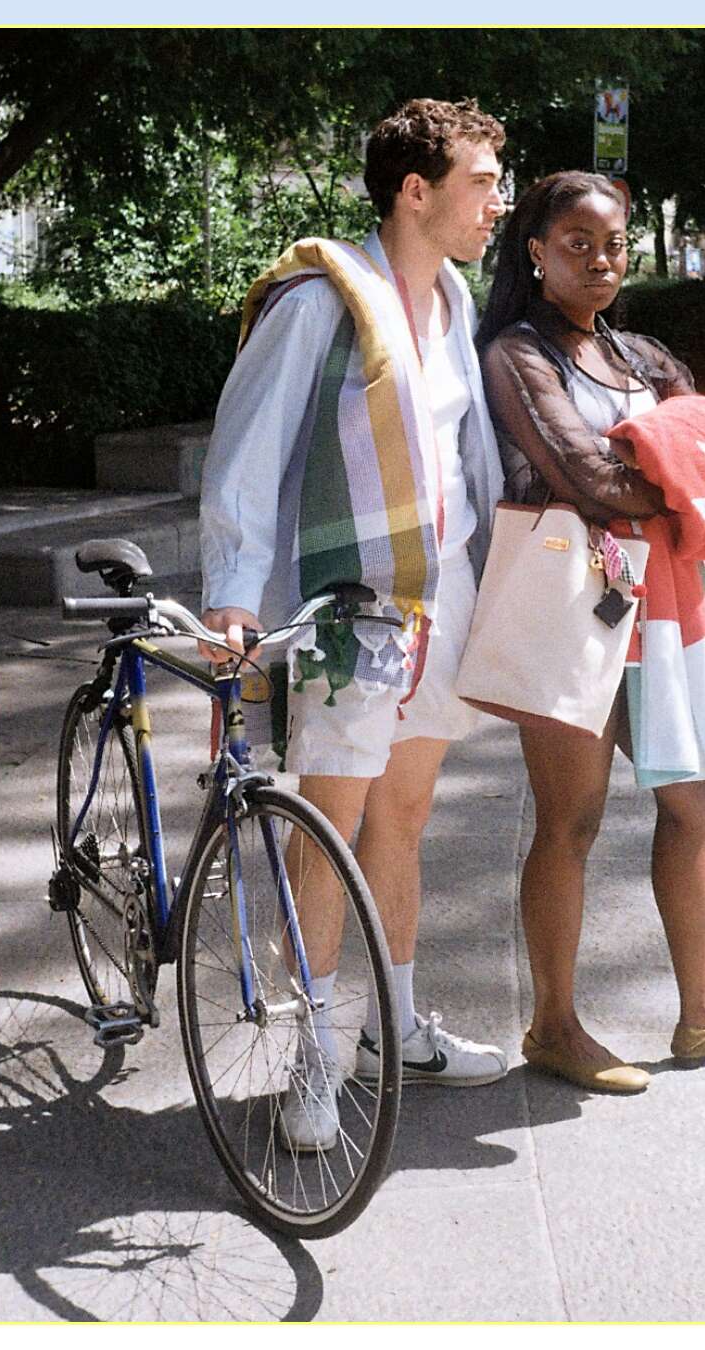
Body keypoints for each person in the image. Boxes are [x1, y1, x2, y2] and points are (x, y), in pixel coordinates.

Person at [198, 99, 510, 1149]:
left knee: (405, 814)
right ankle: (314, 1055)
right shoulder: (322, 300)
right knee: (325, 829)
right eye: (480, 181)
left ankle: (395, 1028)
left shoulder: (452, 295)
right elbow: (248, 444)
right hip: (347, 605)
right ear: (415, 191)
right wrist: (236, 590)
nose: (496, 202)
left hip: (440, 592)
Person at [476, 171, 705, 1094]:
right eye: (579, 242)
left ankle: (701, 1014)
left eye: (614, 243)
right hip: (573, 601)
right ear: (535, 251)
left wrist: (673, 473)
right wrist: (673, 482)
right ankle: (554, 1026)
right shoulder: (516, 354)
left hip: (671, 608)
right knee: (571, 820)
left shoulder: (641, 355)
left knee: (692, 804)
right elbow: (585, 473)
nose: (602, 259)